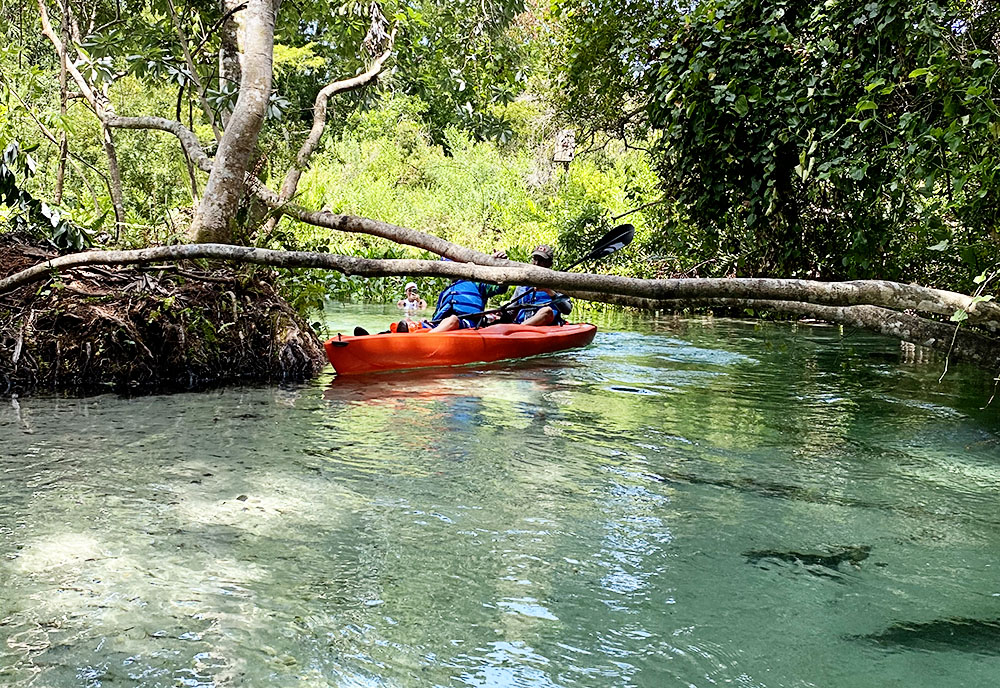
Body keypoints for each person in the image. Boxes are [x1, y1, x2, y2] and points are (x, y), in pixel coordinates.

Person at [407, 250, 509, 333]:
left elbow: (500, 287)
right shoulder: (445, 292)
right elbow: (436, 316)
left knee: (452, 320)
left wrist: (500, 265)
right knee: (408, 323)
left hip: (467, 324)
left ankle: (425, 339)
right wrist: (427, 322)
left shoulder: (477, 283)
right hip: (440, 324)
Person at [510, 244, 571, 326]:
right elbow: (510, 311)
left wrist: (549, 291)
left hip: (546, 326)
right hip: (522, 327)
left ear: (550, 263)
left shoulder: (557, 283)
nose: (537, 263)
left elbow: (567, 310)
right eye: (535, 259)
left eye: (541, 260)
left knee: (547, 311)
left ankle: (519, 329)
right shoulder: (522, 286)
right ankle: (519, 329)